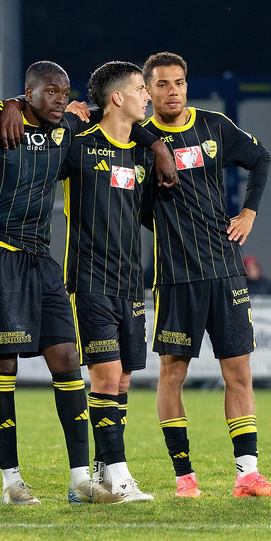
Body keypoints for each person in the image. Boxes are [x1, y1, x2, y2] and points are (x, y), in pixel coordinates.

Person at [0, 61, 128, 505]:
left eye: (64, 92)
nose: (60, 99)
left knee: (67, 359)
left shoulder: (66, 126)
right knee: (4, 365)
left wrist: (158, 148)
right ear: (28, 93)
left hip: (41, 258)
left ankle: (80, 479)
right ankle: (11, 482)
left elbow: (119, 126)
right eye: (50, 91)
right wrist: (7, 106)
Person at [141, 51, 271, 498]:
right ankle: (185, 478)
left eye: (178, 82)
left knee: (239, 373)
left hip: (225, 270)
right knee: (171, 375)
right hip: (176, 276)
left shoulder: (214, 125)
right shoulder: (138, 141)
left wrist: (250, 212)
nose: (172, 91)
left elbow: (261, 159)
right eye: (161, 84)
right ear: (148, 90)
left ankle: (247, 475)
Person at [61, 61, 158, 502]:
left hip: (130, 283)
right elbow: (32, 169)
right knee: (106, 376)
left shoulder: (141, 152)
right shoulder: (78, 145)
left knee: (122, 382)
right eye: (141, 88)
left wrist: (155, 145)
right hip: (90, 279)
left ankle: (100, 477)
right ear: (117, 97)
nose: (148, 95)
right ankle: (118, 477)